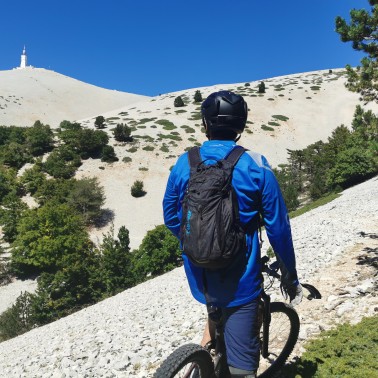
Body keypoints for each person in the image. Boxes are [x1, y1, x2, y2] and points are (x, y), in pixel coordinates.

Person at [163, 91, 302, 378]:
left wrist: (200, 241)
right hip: (241, 280)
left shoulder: (184, 162)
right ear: (242, 124)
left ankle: (200, 363)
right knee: (242, 369)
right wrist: (290, 274)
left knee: (214, 317)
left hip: (199, 274)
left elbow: (170, 216)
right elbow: (278, 226)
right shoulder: (256, 164)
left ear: (205, 124)